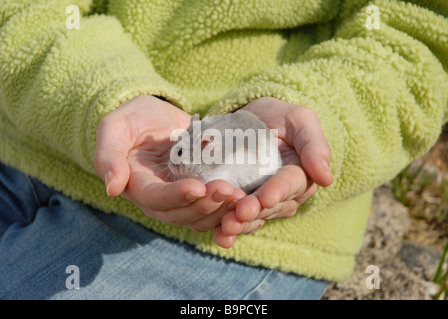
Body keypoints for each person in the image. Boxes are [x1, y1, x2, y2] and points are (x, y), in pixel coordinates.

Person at [0, 0, 446, 300]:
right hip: (29, 138)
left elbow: (418, 36)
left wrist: (319, 118)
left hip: (251, 239)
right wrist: (105, 95)